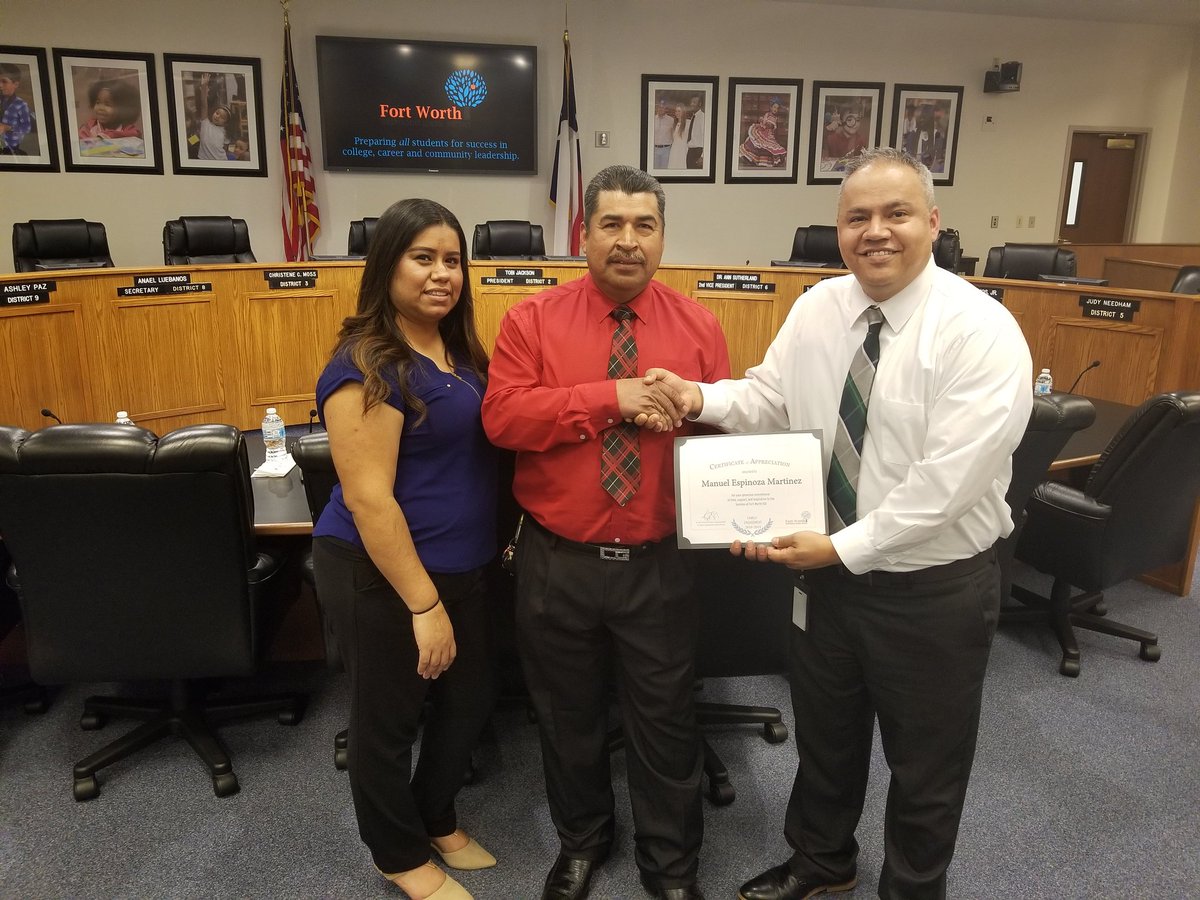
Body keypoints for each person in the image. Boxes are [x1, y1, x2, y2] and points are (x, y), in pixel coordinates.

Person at [645, 148, 1032, 900]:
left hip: (930, 588)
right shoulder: (819, 307)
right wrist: (697, 396)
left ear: (932, 222)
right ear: (838, 227)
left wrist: (839, 545)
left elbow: (947, 488)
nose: (876, 232)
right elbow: (769, 399)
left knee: (926, 764)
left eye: (896, 214)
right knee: (827, 737)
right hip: (825, 578)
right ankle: (823, 864)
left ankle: (912, 891)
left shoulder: (979, 331)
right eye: (858, 217)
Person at [481, 164, 730, 900]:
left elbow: (720, 429)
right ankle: (584, 841)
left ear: (662, 236)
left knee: (666, 724)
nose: (628, 241)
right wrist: (613, 398)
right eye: (612, 225)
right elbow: (505, 418)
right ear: (584, 233)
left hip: (660, 565)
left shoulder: (699, 326)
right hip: (559, 563)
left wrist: (679, 417)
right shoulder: (531, 321)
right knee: (567, 719)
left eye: (644, 226)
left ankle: (671, 864)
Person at [311, 198, 500, 900]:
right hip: (382, 573)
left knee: (471, 698)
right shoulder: (368, 362)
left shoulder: (461, 354)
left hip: (464, 565)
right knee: (388, 720)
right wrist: (422, 604)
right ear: (386, 265)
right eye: (423, 257)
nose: (442, 274)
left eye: (453, 260)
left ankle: (435, 814)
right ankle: (397, 853)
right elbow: (368, 499)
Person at [77, 78, 143, 158]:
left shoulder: (128, 129)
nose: (101, 108)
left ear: (122, 109)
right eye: (98, 102)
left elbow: (136, 143)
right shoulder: (88, 128)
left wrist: (107, 137)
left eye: (107, 104)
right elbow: (81, 147)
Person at [739, 97, 788, 168]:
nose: (775, 109)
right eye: (774, 107)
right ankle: (750, 158)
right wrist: (761, 121)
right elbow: (765, 122)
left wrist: (763, 123)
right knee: (752, 141)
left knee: (766, 146)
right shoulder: (767, 114)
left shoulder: (774, 117)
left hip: (768, 134)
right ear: (771, 107)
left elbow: (770, 125)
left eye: (777, 108)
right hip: (762, 131)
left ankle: (767, 161)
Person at [195, 72, 232, 160]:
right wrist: (204, 86)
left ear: (225, 123)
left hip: (221, 162)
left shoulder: (225, 132)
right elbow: (204, 104)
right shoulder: (205, 122)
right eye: (217, 113)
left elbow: (225, 148)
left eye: (222, 117)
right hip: (203, 160)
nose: (218, 116)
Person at [0, 63, 33, 155]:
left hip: (11, 149)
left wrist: (8, 127)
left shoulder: (21, 105)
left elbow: (27, 128)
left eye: (4, 81)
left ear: (16, 84)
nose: (0, 85)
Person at [652, 98, 675, 169]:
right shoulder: (652, 119)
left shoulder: (671, 120)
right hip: (654, 149)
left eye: (663, 107)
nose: (660, 109)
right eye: (659, 107)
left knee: (664, 171)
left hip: (666, 150)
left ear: (666, 109)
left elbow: (674, 135)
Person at [685, 94, 705, 168]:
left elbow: (706, 138)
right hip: (690, 152)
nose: (691, 104)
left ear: (700, 104)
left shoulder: (703, 117)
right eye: (691, 102)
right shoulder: (693, 117)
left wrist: (703, 156)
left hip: (698, 153)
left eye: (694, 102)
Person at [668, 103, 689, 169]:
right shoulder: (674, 124)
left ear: (683, 112)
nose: (677, 113)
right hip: (674, 149)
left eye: (679, 111)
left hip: (683, 150)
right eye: (676, 111)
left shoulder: (688, 123)